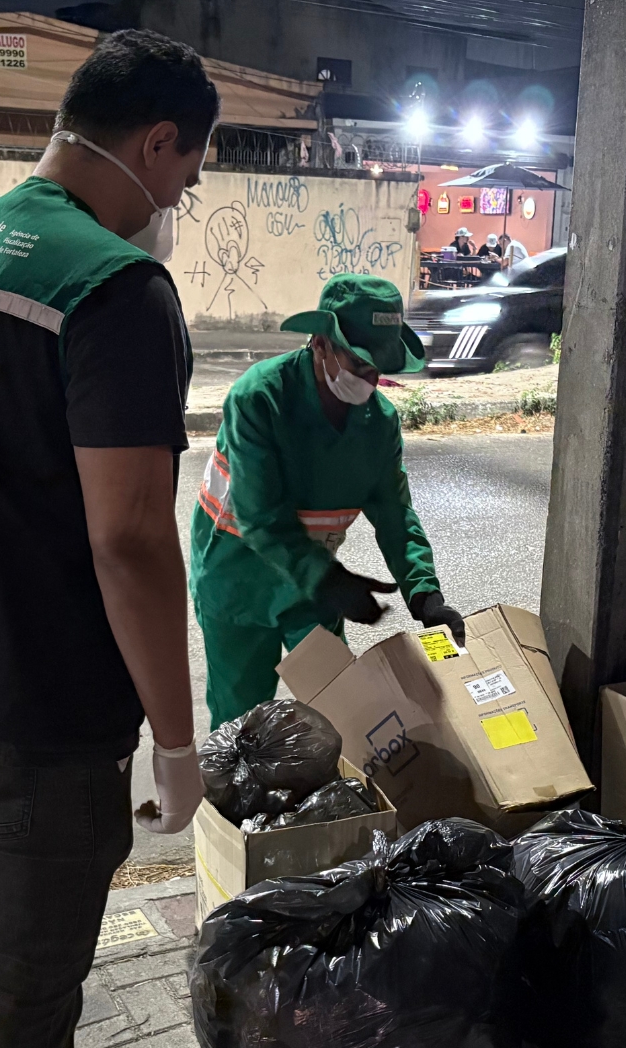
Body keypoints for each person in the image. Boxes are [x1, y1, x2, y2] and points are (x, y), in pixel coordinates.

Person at [0, 30, 216, 1048]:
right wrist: (176, 740)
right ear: (159, 144)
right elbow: (130, 539)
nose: (173, 209)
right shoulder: (114, 290)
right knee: (31, 987)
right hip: (36, 706)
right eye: (186, 181)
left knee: (22, 949)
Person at [189, 274, 467, 726]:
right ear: (320, 344)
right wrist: (331, 581)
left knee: (339, 716)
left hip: (311, 586)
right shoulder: (260, 399)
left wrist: (425, 595)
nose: (370, 380)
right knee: (242, 726)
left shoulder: (378, 424)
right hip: (236, 582)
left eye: (379, 370)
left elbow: (395, 514)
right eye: (360, 364)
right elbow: (259, 516)